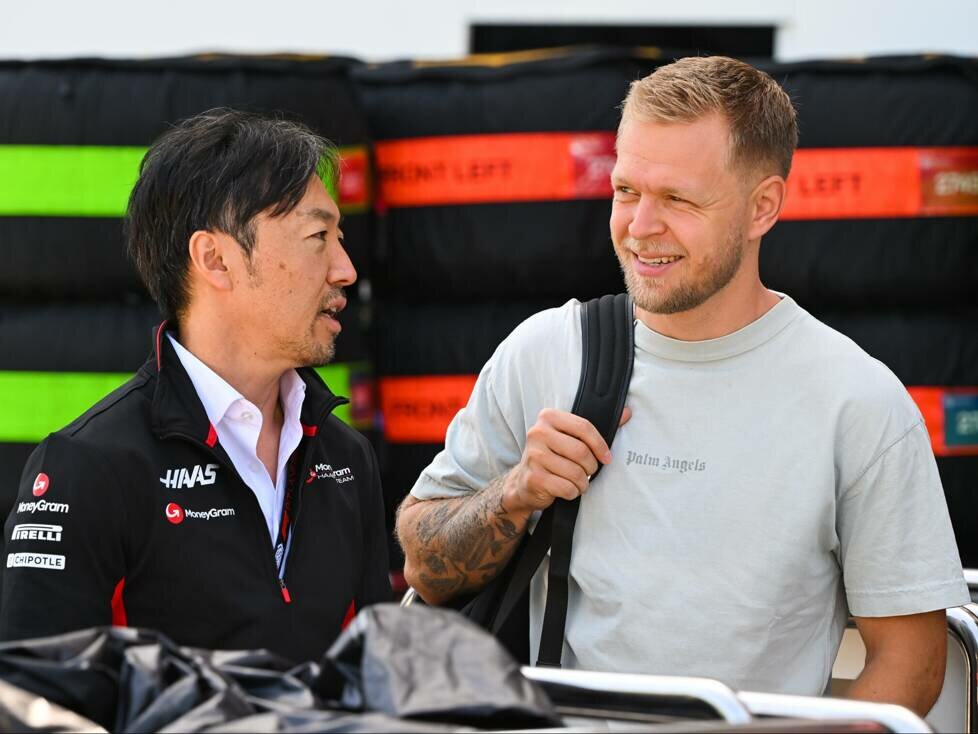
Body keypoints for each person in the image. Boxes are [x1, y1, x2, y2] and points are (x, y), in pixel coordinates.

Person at [396, 56, 968, 715]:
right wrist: (515, 494)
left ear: (763, 207)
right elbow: (423, 571)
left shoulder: (856, 401)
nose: (640, 227)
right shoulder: (546, 352)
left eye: (679, 199)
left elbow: (913, 665)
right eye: (626, 191)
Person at [0, 109, 390, 662]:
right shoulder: (85, 467)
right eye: (317, 236)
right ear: (215, 259)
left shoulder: (347, 458)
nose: (345, 269)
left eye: (340, 237)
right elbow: (31, 703)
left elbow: (381, 680)